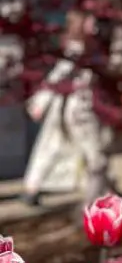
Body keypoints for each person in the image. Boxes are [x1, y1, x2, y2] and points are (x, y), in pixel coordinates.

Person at [22, 11, 111, 207]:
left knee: (55, 147)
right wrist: (40, 102)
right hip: (75, 108)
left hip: (71, 107)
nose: (94, 25)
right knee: (89, 152)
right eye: (90, 21)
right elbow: (58, 77)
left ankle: (33, 187)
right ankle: (99, 195)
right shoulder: (77, 48)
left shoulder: (88, 46)